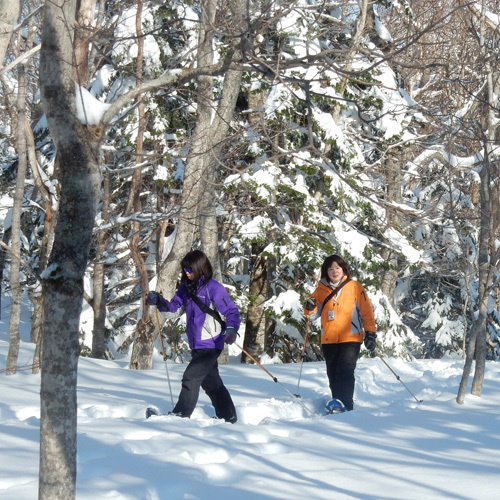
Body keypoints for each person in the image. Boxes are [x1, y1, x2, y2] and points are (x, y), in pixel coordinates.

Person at [147, 250, 240, 423]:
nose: (187, 273)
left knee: (191, 377)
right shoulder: (186, 288)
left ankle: (180, 416)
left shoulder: (214, 288)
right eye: (185, 270)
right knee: (211, 383)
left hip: (211, 343)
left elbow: (231, 311)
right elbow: (173, 311)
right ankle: (229, 416)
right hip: (197, 344)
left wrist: (232, 329)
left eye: (190, 270)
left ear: (200, 268)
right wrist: (159, 301)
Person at [304, 254, 377, 412]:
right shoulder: (320, 290)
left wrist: (370, 333)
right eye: (330, 269)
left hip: (350, 337)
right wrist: (309, 307)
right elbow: (312, 315)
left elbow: (367, 312)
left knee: (345, 370)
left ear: (343, 269)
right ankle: (337, 403)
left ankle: (345, 405)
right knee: (333, 373)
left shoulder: (355, 287)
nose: (334, 271)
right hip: (329, 339)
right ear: (326, 272)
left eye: (337, 268)